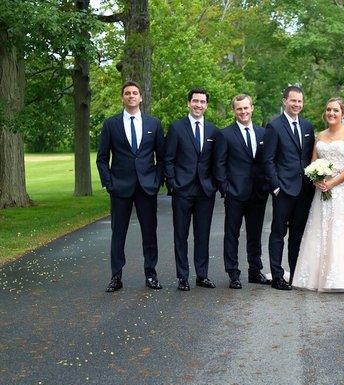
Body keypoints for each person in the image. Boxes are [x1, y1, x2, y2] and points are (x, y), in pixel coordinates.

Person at [293, 98, 344, 292]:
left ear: (343, 114)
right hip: (323, 190)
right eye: (328, 110)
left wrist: (333, 183)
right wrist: (316, 179)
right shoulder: (320, 135)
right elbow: (313, 162)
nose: (331, 113)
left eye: (335, 110)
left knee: (343, 231)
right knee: (321, 230)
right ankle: (317, 276)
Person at [96, 81, 165, 292]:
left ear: (141, 97)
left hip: (146, 187)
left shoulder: (153, 124)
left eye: (135, 93)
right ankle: (116, 277)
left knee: (149, 233)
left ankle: (151, 275)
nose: (131, 96)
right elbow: (102, 158)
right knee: (118, 233)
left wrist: (157, 180)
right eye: (127, 93)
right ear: (122, 98)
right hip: (120, 187)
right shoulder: (111, 124)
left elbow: (162, 158)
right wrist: (109, 184)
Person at [164, 88, 223, 291]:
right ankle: (182, 276)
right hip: (182, 190)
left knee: (202, 234)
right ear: (188, 103)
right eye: (195, 101)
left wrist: (214, 184)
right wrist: (173, 183)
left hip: (205, 191)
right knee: (180, 235)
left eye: (202, 101)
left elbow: (217, 161)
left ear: (206, 105)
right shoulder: (176, 128)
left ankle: (202, 275)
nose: (199, 105)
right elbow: (168, 159)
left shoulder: (213, 131)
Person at [263, 86, 315, 290]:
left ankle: (295, 274)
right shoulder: (274, 126)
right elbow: (268, 160)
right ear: (285, 101)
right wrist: (275, 187)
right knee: (278, 232)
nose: (297, 105)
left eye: (300, 101)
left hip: (305, 189)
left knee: (297, 234)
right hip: (283, 189)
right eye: (293, 101)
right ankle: (277, 276)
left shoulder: (308, 126)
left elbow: (310, 156)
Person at [216, 94, 271, 289]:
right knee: (232, 234)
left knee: (255, 234)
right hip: (235, 193)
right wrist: (226, 189)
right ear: (234, 111)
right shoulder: (225, 134)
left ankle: (255, 271)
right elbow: (219, 164)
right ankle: (233, 273)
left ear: (252, 108)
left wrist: (266, 185)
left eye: (246, 108)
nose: (243, 112)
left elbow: (267, 162)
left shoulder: (263, 133)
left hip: (258, 193)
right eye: (239, 109)